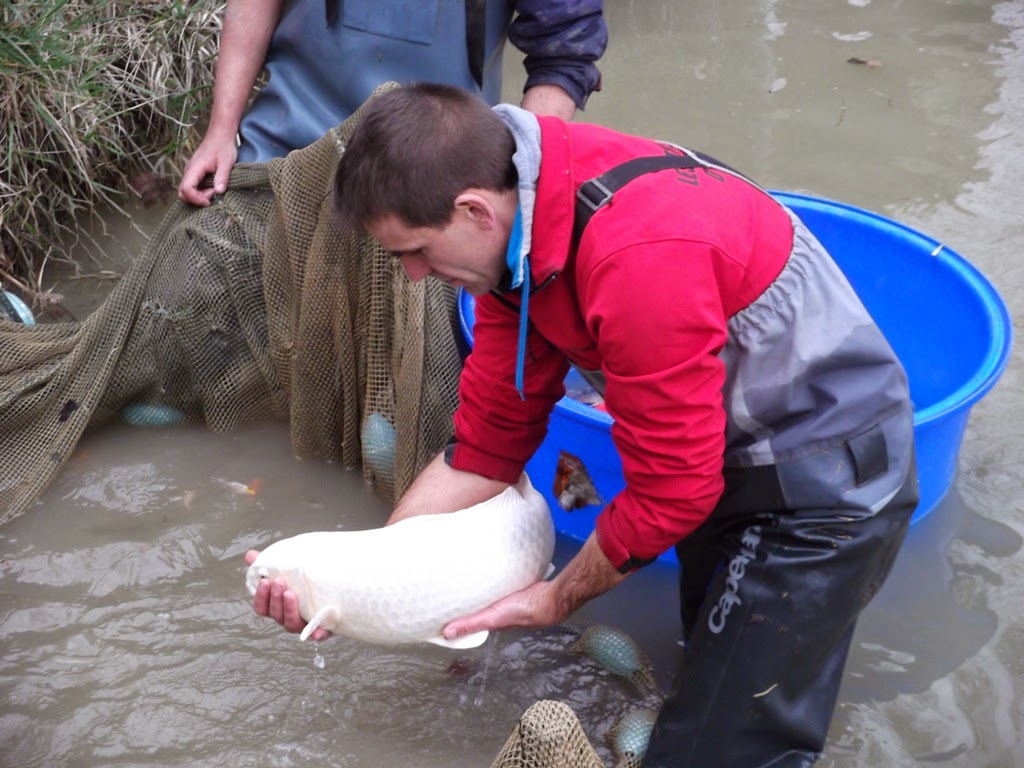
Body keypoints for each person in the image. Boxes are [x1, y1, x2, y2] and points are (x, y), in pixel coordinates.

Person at [248, 83, 920, 767]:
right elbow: (487, 447)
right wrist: (357, 586)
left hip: (829, 481)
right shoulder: (518, 239)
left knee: (720, 752)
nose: (416, 276)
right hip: (725, 454)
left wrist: (555, 598)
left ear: (473, 209)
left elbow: (674, 492)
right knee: (706, 671)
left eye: (414, 252)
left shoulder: (639, 257)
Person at [177, 0, 607, 206]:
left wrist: (520, 184)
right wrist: (220, 130)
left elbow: (563, 54)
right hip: (281, 149)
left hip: (440, 178)